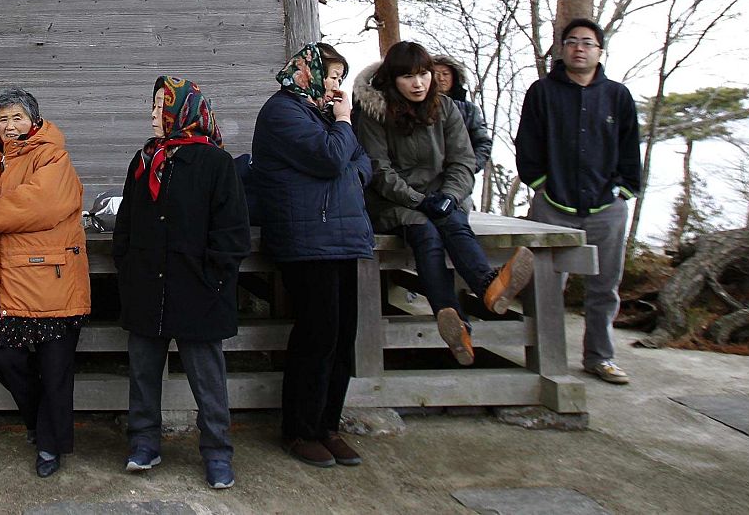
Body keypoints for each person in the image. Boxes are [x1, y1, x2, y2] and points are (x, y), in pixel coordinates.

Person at [355, 41, 533, 367]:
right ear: (392, 79)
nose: (418, 83)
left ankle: (485, 294)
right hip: (391, 202)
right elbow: (378, 169)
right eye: (408, 76)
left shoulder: (446, 108)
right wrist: (419, 200)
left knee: (452, 222)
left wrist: (450, 196)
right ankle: (458, 314)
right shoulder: (373, 113)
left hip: (441, 197)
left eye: (423, 74)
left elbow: (463, 161)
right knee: (426, 233)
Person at [114, 76, 250, 491]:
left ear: (182, 112)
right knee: (143, 371)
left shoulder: (215, 163)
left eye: (161, 105)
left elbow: (232, 234)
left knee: (207, 377)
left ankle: (217, 452)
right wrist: (129, 269)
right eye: (153, 105)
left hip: (199, 290)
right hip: (147, 288)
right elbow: (126, 228)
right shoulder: (145, 160)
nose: (153, 113)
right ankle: (144, 443)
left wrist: (214, 280)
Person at [247, 42, 374, 469]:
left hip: (342, 235)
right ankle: (300, 429)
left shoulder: (319, 115)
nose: (337, 87)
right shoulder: (283, 111)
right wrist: (343, 124)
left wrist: (347, 167)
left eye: (341, 78)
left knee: (342, 337)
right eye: (332, 76)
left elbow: (361, 161)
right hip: (306, 240)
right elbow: (330, 156)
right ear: (307, 70)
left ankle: (327, 425)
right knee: (317, 336)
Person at [0, 88, 89, 479]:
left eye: (17, 117)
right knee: (4, 359)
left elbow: (39, 202)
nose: (10, 125)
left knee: (56, 368)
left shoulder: (53, 156)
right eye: (3, 119)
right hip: (8, 284)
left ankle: (51, 445)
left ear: (34, 120)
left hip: (52, 279)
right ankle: (39, 423)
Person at [515, 17, 641, 386]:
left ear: (600, 51)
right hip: (554, 204)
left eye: (587, 42)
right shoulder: (542, 92)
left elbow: (630, 147)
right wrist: (539, 183)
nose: (579, 48)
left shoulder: (617, 95)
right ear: (561, 49)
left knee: (605, 286)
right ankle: (544, 359)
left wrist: (625, 190)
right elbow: (527, 143)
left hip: (606, 208)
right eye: (572, 41)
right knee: (547, 286)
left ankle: (600, 357)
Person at [432, 55, 494, 205]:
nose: (441, 78)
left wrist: (468, 168)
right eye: (436, 73)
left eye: (445, 74)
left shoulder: (469, 110)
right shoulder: (418, 108)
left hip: (458, 182)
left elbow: (483, 143)